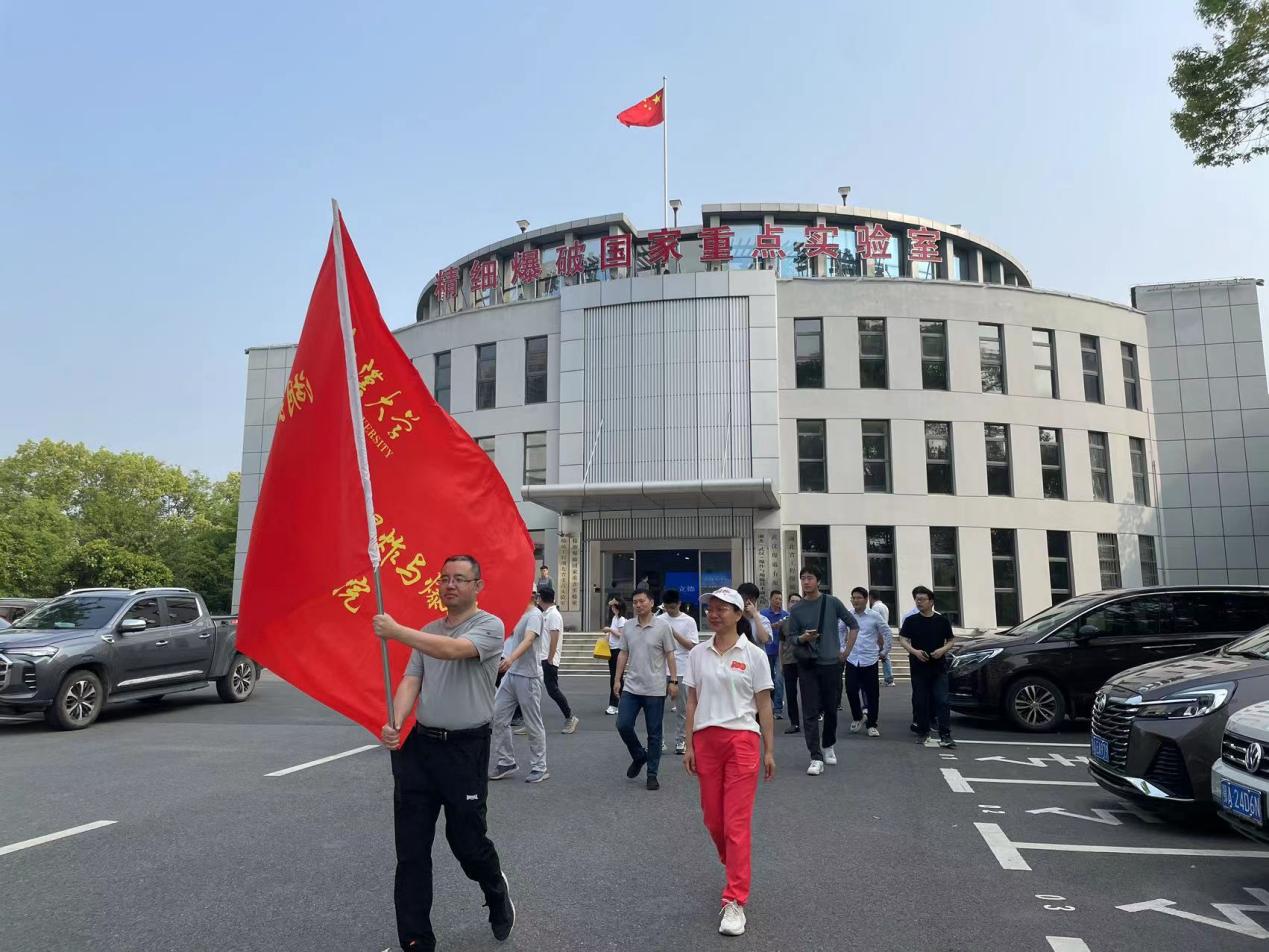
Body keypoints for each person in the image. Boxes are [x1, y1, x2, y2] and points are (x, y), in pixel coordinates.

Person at [372, 555, 515, 952]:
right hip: (420, 749)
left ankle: (495, 888)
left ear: (477, 586)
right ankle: (416, 939)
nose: (450, 585)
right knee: (411, 850)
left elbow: (453, 651)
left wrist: (396, 632)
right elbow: (412, 679)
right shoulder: (427, 630)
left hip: (466, 750)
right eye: (445, 578)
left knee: (466, 842)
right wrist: (397, 720)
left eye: (460, 579)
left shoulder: (490, 626)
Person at [683, 587, 775, 937]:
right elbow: (692, 701)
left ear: (738, 614)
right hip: (706, 740)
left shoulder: (754, 655)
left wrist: (769, 749)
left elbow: (764, 704)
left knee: (736, 823)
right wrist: (689, 743)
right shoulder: (698, 654)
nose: (714, 614)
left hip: (742, 740)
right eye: (710, 608)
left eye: (722, 609)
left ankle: (735, 899)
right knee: (713, 820)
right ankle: (735, 861)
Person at [783, 566, 858, 776]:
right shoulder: (797, 609)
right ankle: (815, 756)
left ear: (819, 581)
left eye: (810, 578)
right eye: (803, 578)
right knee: (809, 711)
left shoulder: (832, 602)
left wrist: (846, 652)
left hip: (831, 664)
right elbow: (791, 638)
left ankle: (828, 744)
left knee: (831, 709)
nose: (806, 582)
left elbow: (853, 625)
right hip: (807, 664)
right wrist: (803, 638)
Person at [613, 588, 679, 791]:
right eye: (635, 602)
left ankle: (652, 774)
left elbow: (670, 654)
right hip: (631, 687)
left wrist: (673, 681)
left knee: (654, 734)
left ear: (651, 602)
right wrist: (617, 679)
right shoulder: (628, 626)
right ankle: (639, 755)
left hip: (655, 689)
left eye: (642, 601)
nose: (638, 605)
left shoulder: (663, 626)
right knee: (623, 724)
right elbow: (623, 653)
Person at [490, 595, 549, 783]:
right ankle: (506, 761)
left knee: (532, 723)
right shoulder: (517, 614)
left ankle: (540, 766)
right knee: (497, 716)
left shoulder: (535, 615)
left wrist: (510, 659)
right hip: (512, 675)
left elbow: (529, 639)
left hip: (529, 676)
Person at [899, 585, 957, 749]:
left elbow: (951, 640)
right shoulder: (911, 620)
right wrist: (914, 652)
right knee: (920, 701)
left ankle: (945, 734)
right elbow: (902, 639)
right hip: (918, 667)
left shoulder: (941, 620)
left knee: (942, 700)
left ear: (931, 602)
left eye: (922, 599)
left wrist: (943, 650)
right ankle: (923, 732)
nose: (919, 602)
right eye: (917, 599)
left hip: (938, 667)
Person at [845, 587, 888, 737]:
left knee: (872, 693)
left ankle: (872, 724)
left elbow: (886, 632)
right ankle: (858, 717)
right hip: (852, 659)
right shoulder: (848, 615)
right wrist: (842, 649)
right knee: (851, 690)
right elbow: (839, 630)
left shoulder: (874, 616)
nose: (855, 600)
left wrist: (884, 651)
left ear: (866, 599)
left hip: (870, 659)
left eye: (858, 598)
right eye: (853, 598)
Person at [537, 587, 579, 734]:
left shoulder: (553, 615)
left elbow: (554, 638)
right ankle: (531, 722)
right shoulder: (545, 614)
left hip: (548, 659)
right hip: (542, 657)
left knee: (553, 690)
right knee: (533, 690)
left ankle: (570, 717)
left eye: (538, 596)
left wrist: (550, 658)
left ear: (541, 598)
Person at [663, 589, 700, 754]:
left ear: (679, 604)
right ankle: (658, 741)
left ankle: (681, 741)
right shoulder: (659, 620)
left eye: (672, 607)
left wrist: (674, 633)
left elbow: (692, 646)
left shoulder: (688, 621)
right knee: (656, 709)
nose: (670, 611)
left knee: (682, 709)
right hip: (661, 669)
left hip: (682, 669)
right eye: (667, 607)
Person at [759, 591, 788, 720]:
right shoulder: (763, 614)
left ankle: (778, 709)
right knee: (769, 680)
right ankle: (775, 699)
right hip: (766, 651)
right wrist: (772, 626)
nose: (778, 601)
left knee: (779, 679)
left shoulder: (786, 615)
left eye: (780, 599)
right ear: (770, 600)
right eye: (776, 598)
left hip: (780, 652)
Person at [779, 594, 802, 734]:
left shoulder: (807, 620)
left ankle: (810, 719)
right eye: (792, 601)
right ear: (788, 604)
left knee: (807, 693)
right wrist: (781, 663)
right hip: (788, 662)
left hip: (804, 661)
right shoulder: (784, 623)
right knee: (790, 694)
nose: (794, 604)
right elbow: (781, 644)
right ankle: (794, 723)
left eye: (797, 602)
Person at [602, 598, 627, 715]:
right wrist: (607, 636)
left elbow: (621, 635)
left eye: (613, 606)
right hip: (612, 649)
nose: (611, 608)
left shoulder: (621, 620)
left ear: (617, 607)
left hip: (618, 650)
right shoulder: (615, 618)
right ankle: (621, 702)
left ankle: (614, 704)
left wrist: (610, 630)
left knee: (616, 677)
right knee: (616, 677)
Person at [868, 591, 895, 687]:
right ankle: (889, 679)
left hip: (878, 635)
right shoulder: (884, 606)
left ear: (871, 597)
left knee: (875, 656)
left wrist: (879, 638)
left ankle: (884, 679)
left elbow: (875, 623)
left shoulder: (875, 607)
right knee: (885, 657)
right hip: (884, 633)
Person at [735, 582, 772, 648]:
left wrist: (755, 615)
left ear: (755, 600)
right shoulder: (734, 618)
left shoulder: (763, 619)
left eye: (751, 599)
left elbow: (765, 639)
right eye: (745, 598)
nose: (747, 602)